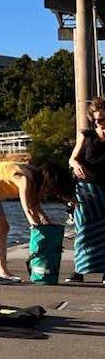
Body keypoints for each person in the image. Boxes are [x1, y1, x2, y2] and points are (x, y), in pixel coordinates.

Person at [68, 98, 105, 283]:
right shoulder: (87, 135)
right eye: (98, 120)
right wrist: (75, 165)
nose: (101, 124)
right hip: (85, 189)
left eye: (104, 119)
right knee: (83, 229)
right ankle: (78, 272)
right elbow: (72, 158)